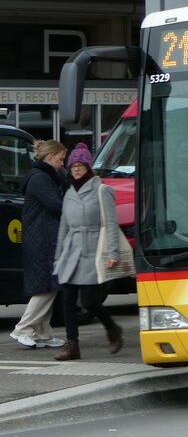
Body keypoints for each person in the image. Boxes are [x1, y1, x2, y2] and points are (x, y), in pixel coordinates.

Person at [51, 143, 123, 361]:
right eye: (73, 165)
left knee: (90, 301)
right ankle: (72, 345)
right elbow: (64, 225)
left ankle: (112, 327)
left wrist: (113, 253)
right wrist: (58, 256)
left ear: (88, 167)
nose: (76, 169)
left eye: (81, 165)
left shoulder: (102, 190)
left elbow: (111, 223)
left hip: (93, 250)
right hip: (71, 251)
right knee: (68, 301)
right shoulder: (69, 192)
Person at [9, 140, 67, 349]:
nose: (62, 163)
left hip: (42, 238)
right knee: (46, 287)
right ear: (50, 157)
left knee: (49, 285)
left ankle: (43, 333)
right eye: (60, 159)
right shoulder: (40, 179)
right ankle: (23, 328)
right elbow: (56, 204)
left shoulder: (42, 176)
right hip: (42, 239)